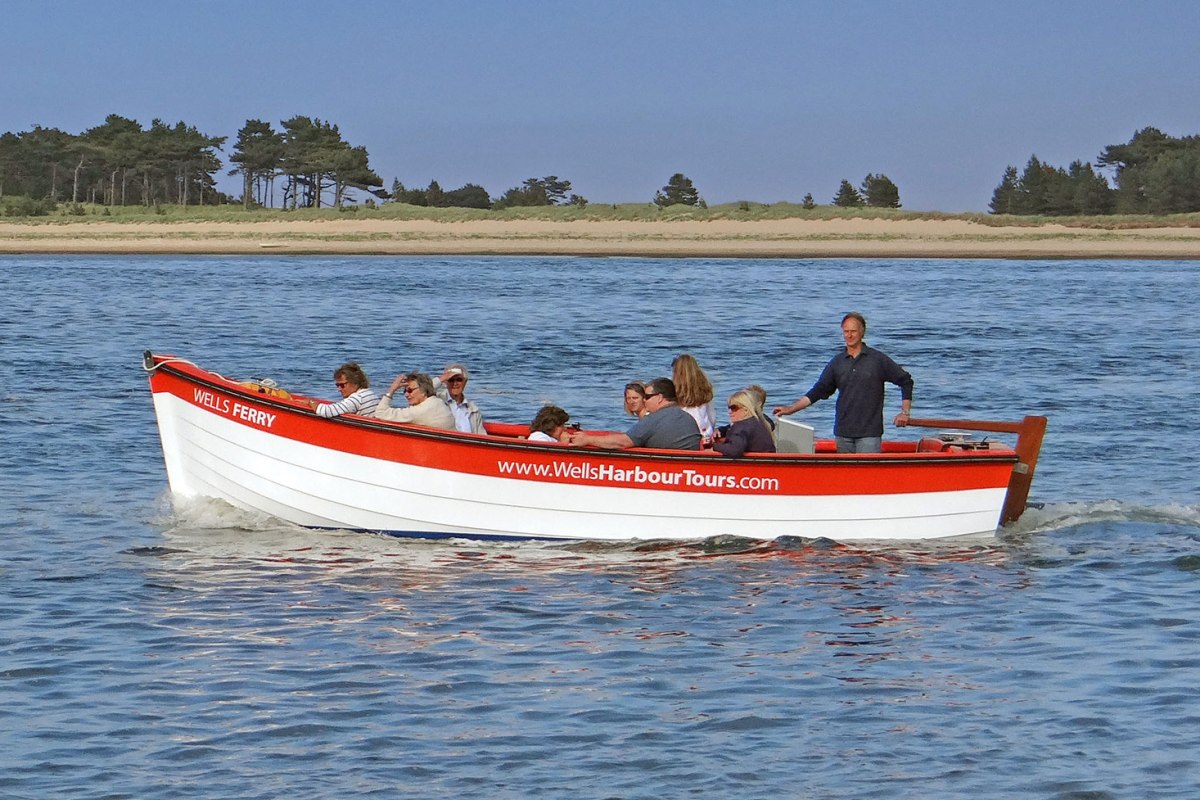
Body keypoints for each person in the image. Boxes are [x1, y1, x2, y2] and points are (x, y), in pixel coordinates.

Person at [773, 312, 914, 453]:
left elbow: (906, 381)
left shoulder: (877, 360)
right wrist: (791, 409)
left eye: (853, 331)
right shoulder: (837, 362)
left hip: (869, 433)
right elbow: (818, 391)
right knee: (846, 474)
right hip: (843, 432)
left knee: (866, 475)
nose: (849, 335)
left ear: (862, 332)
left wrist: (905, 413)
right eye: (846, 331)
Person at [567, 378, 701, 450]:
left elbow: (622, 443)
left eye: (647, 397)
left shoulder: (654, 419)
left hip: (662, 473)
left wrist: (588, 439)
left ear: (659, 398)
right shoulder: (688, 418)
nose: (644, 400)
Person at [375, 371, 457, 430]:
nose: (406, 394)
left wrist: (392, 389)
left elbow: (380, 413)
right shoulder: (436, 401)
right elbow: (428, 387)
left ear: (423, 391)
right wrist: (441, 379)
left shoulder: (420, 411)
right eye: (404, 391)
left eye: (410, 390)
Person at [715, 390, 777, 457]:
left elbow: (735, 450)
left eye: (734, 408)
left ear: (746, 410)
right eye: (729, 408)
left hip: (755, 464)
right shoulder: (759, 422)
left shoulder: (741, 426)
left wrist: (714, 446)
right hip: (768, 462)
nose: (730, 412)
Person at [308, 362, 379, 418]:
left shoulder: (356, 399)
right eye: (337, 385)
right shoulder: (370, 393)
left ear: (355, 383)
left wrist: (311, 402)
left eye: (342, 385)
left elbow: (326, 411)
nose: (339, 389)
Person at [672, 353, 716, 443]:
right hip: (706, 434)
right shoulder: (705, 389)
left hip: (687, 437)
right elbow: (712, 417)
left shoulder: (674, 391)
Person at [434, 363, 485, 434]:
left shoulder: (473, 410)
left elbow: (482, 435)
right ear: (445, 382)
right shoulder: (438, 401)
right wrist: (441, 378)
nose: (455, 383)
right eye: (451, 380)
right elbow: (420, 392)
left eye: (459, 379)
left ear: (465, 382)